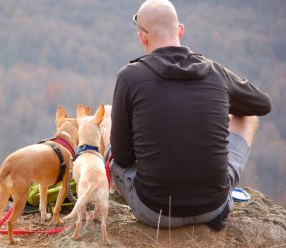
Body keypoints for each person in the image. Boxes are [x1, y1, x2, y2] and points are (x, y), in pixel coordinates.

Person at [110, 0, 272, 230]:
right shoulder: (216, 72)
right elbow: (262, 105)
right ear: (180, 30)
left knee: (108, 124)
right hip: (214, 206)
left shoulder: (129, 77)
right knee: (247, 116)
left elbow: (123, 158)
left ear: (142, 37)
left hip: (154, 211)